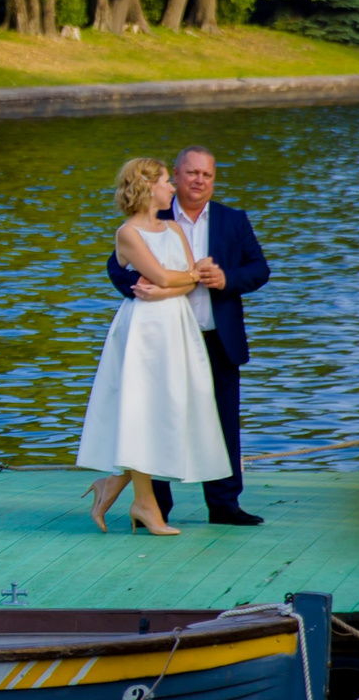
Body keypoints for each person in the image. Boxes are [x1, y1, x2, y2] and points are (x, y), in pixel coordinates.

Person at [103, 145, 269, 526]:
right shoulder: (148, 218)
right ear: (174, 176)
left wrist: (227, 279)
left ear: (214, 179)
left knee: (222, 423)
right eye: (191, 173)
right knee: (159, 418)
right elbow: (117, 269)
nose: (199, 180)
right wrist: (140, 285)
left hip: (216, 336)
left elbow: (259, 270)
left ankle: (225, 505)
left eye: (207, 175)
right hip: (161, 338)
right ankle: (156, 507)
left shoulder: (233, 220)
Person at [76, 157, 232, 536]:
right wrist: (180, 278)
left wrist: (176, 282)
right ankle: (145, 504)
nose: (172, 188)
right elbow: (165, 274)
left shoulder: (173, 227)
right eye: (166, 181)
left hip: (176, 327)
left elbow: (182, 282)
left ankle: (114, 485)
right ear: (147, 188)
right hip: (144, 332)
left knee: (170, 408)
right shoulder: (128, 233)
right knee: (141, 410)